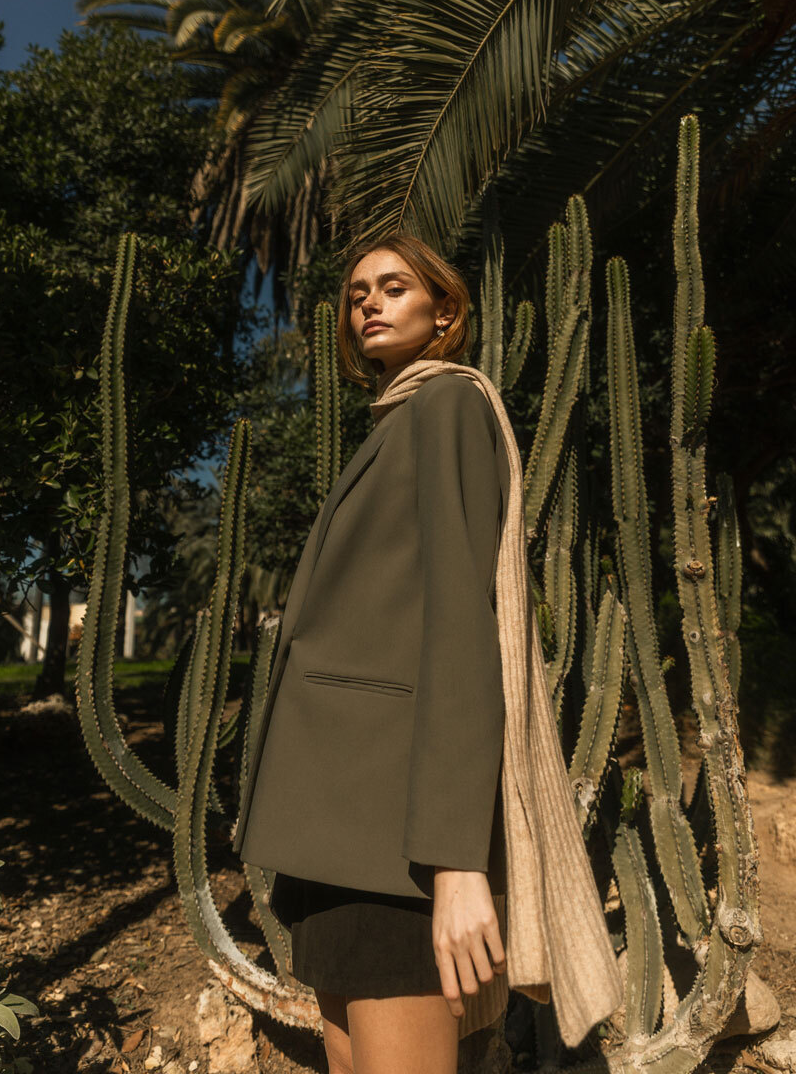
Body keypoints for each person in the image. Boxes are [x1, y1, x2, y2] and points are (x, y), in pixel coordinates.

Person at [232, 232, 621, 1073]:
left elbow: (459, 628)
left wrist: (455, 864)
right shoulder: (396, 419)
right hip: (338, 827)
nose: (367, 301)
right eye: (356, 292)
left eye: (394, 287)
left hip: (393, 844)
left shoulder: (447, 406)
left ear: (444, 311)